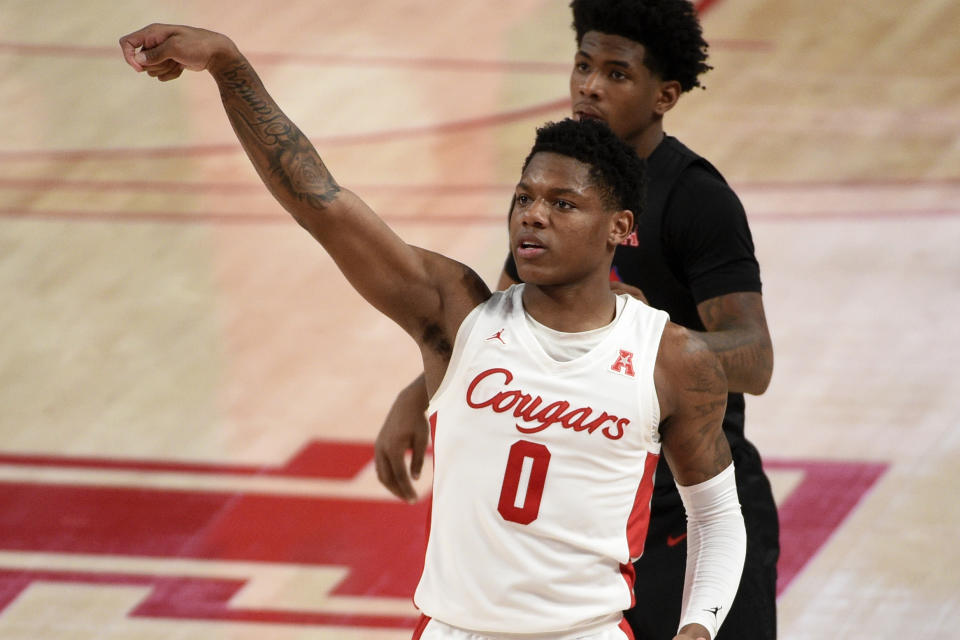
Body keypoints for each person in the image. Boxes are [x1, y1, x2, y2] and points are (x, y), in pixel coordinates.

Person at [120, 22, 747, 640]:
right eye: (524, 196)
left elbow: (716, 515)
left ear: (618, 226)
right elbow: (321, 202)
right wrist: (230, 67)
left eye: (563, 203)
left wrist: (698, 626)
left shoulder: (670, 358)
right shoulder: (459, 315)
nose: (533, 215)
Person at [373, 1, 778, 639]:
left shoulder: (699, 198)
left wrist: (641, 338)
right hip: (592, 500)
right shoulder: (556, 201)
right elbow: (500, 326)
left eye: (616, 74)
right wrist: (417, 392)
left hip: (684, 499)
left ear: (663, 95)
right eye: (583, 66)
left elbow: (754, 360)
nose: (589, 85)